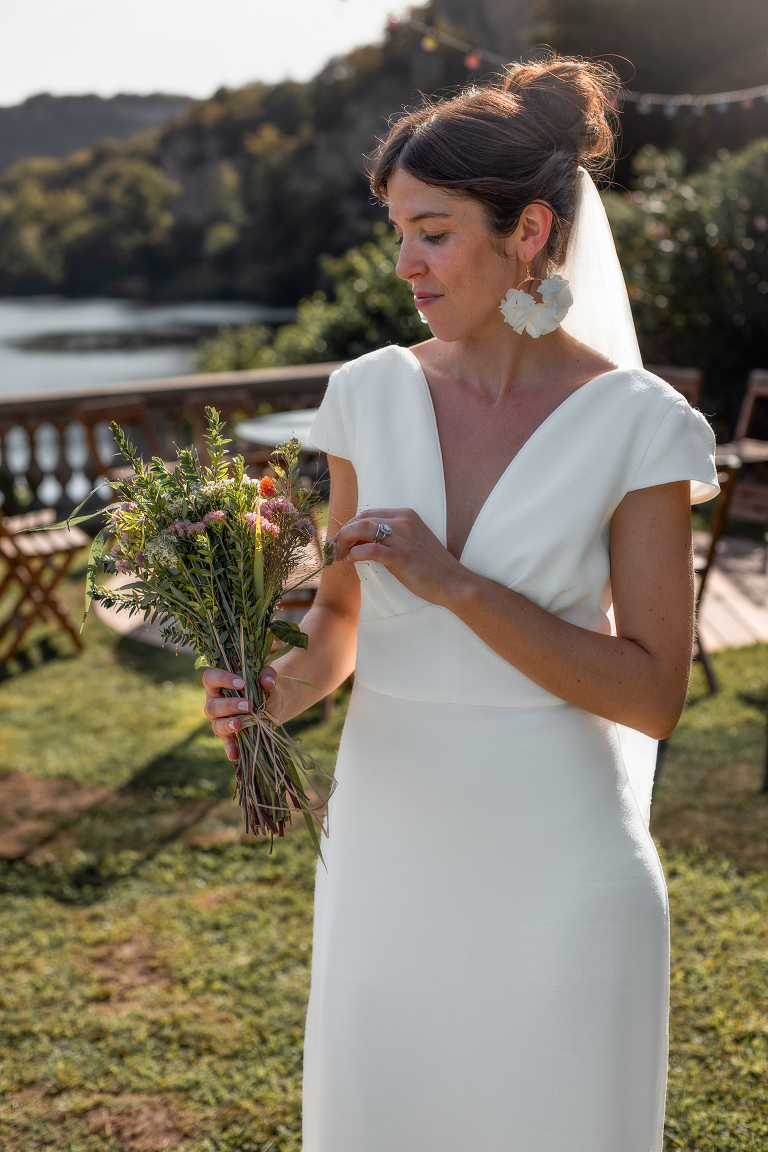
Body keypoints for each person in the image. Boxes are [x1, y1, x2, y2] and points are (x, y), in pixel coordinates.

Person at [203, 56, 718, 1152]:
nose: (406, 264)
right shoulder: (367, 393)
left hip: (562, 858)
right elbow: (338, 626)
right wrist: (272, 691)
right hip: (389, 844)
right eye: (398, 231)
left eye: (432, 232)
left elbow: (656, 694)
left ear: (527, 232)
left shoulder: (640, 425)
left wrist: (456, 584)